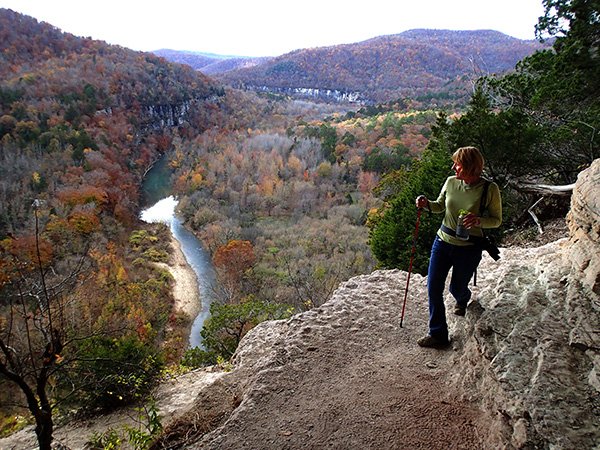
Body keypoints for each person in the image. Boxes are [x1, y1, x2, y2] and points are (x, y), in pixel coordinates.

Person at [415, 146, 502, 348]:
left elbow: (496, 220)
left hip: (469, 247)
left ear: (471, 167)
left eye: (458, 164)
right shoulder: (451, 182)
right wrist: (425, 203)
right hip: (442, 242)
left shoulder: (489, 189)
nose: (454, 167)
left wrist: (478, 221)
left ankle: (462, 299)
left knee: (457, 287)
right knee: (433, 287)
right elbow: (439, 206)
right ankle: (437, 334)